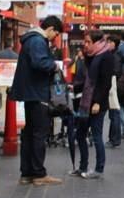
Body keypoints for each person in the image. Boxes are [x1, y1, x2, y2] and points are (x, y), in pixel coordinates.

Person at [9, 16, 64, 186]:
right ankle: (39, 173)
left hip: (29, 93)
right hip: (37, 93)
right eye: (56, 33)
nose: (55, 38)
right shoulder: (38, 41)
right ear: (51, 29)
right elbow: (40, 63)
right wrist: (54, 65)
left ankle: (27, 173)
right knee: (39, 133)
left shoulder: (30, 40)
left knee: (30, 133)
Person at [70, 30, 115, 179]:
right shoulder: (91, 56)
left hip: (96, 103)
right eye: (85, 41)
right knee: (80, 134)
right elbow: (89, 80)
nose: (85, 44)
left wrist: (97, 102)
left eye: (88, 42)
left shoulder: (106, 56)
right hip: (86, 101)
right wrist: (74, 87)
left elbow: (105, 82)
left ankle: (99, 169)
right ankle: (83, 166)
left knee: (96, 135)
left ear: (97, 42)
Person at [106, 35, 124, 149]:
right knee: (114, 113)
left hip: (114, 86)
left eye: (109, 42)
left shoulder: (115, 56)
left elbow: (116, 72)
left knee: (114, 113)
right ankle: (114, 138)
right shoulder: (116, 55)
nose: (107, 44)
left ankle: (115, 139)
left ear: (114, 43)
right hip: (115, 86)